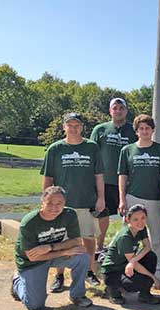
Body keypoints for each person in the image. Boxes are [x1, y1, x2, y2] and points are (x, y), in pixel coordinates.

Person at [41, 112, 105, 292]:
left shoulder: (91, 147)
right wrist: (46, 201)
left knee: (88, 239)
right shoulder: (55, 149)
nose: (73, 128)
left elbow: (99, 175)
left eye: (77, 125)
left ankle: (90, 271)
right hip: (61, 205)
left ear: (82, 127)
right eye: (70, 124)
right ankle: (59, 275)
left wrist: (101, 198)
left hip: (87, 201)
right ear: (64, 127)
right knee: (62, 239)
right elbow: (48, 178)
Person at [11, 186, 93, 310]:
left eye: (59, 203)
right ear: (42, 202)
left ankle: (77, 295)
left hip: (55, 253)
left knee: (82, 257)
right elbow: (32, 257)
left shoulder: (69, 214)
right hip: (32, 262)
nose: (54, 208)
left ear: (64, 203)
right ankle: (17, 280)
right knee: (34, 305)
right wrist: (64, 250)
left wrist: (51, 247)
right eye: (50, 203)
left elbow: (76, 241)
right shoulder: (29, 222)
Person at [118, 114, 160, 278]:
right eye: (141, 128)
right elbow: (122, 175)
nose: (144, 131)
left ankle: (158, 269)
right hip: (133, 197)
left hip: (155, 199)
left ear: (152, 130)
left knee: (156, 237)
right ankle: (126, 269)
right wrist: (122, 198)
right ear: (136, 131)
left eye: (147, 128)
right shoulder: (127, 150)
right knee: (128, 236)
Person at [90, 98, 137, 259]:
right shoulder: (100, 129)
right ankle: (99, 246)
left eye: (121, 108)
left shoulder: (133, 131)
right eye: (115, 108)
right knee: (102, 214)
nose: (118, 111)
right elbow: (92, 154)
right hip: (103, 181)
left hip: (127, 182)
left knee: (129, 216)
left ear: (126, 110)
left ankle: (126, 246)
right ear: (110, 111)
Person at [101, 204, 160, 305]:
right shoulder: (125, 237)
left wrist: (133, 261)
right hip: (113, 270)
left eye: (143, 218)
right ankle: (112, 290)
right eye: (135, 219)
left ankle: (144, 294)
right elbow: (135, 265)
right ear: (128, 220)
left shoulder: (141, 228)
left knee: (151, 256)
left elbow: (147, 247)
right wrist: (154, 278)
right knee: (138, 282)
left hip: (127, 264)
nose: (140, 222)